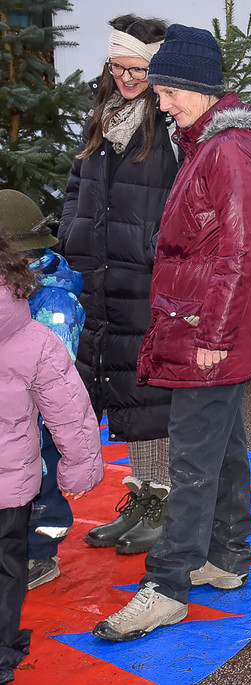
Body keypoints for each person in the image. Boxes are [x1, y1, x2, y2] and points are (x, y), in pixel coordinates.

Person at [92, 23, 251, 642]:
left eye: (169, 91)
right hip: (204, 323)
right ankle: (227, 559)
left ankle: (167, 585)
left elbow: (238, 254)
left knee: (192, 458)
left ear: (201, 89)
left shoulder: (228, 152)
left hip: (209, 329)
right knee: (222, 446)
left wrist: (213, 334)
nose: (160, 102)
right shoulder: (209, 141)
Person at [58, 14, 181, 557]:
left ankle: (166, 503)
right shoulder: (103, 117)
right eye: (119, 67)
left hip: (144, 274)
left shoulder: (168, 124)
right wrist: (71, 234)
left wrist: (159, 253)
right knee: (124, 390)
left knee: (150, 392)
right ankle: (143, 497)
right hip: (101, 274)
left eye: (139, 69)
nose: (128, 78)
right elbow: (74, 184)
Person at [0, 222, 104, 685]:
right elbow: (69, 407)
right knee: (7, 563)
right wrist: (80, 467)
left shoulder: (49, 318)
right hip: (10, 481)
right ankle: (2, 653)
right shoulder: (34, 337)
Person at [0, 189, 87, 590]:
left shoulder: (53, 301)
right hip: (12, 418)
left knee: (42, 493)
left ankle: (40, 554)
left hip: (39, 419)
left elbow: (55, 375)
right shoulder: (16, 284)